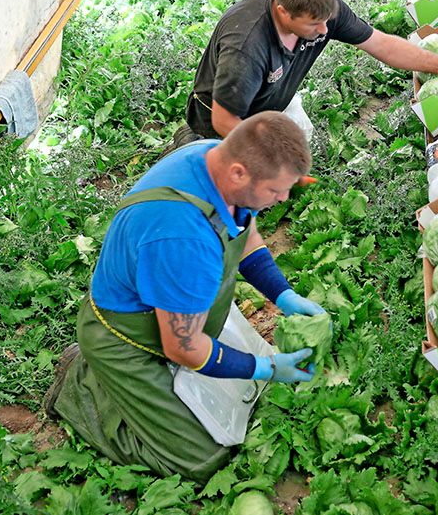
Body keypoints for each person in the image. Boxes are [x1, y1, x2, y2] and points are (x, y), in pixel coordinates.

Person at [45, 112, 326, 482]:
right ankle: (79, 384)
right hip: (125, 338)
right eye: (276, 190)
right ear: (241, 173)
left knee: (230, 386)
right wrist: (269, 369)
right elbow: (185, 349)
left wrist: (283, 293)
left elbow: (246, 235)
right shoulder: (184, 240)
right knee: (199, 460)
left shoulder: (214, 158)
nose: (283, 198)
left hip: (177, 311)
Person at [174, 0, 438, 144]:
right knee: (233, 190)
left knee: (295, 148)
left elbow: (381, 44)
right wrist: (268, 154)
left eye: (327, 19)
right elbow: (225, 121)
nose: (325, 29)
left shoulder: (323, 12)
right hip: (223, 119)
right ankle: (188, 142)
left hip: (269, 100)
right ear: (282, 12)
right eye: (314, 24)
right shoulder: (246, 48)